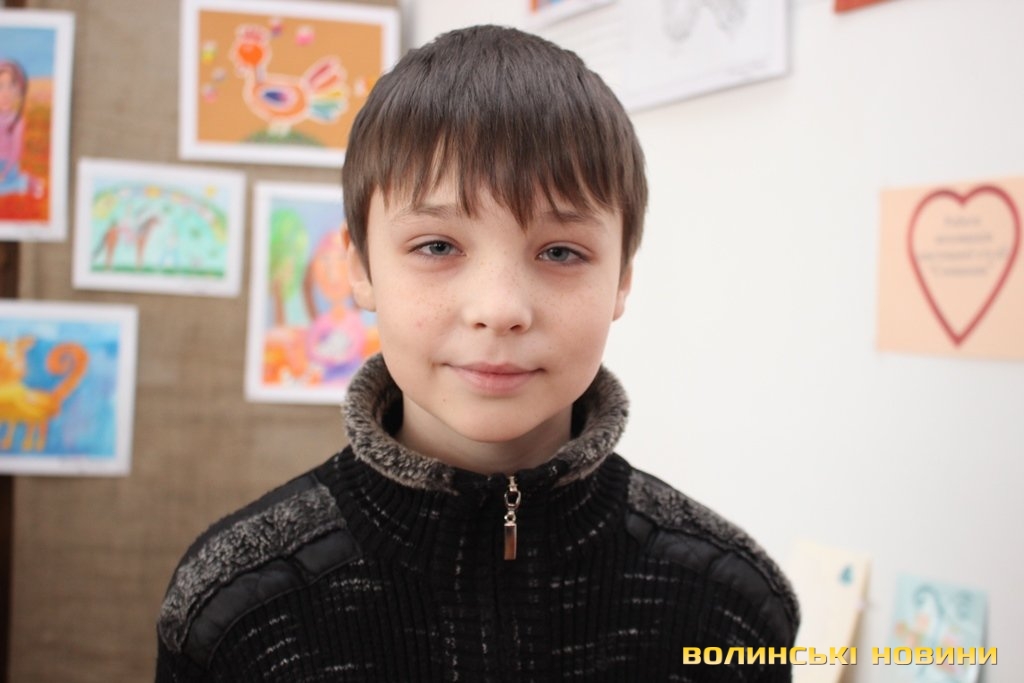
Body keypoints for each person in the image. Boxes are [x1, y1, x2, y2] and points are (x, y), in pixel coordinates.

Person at [156, 24, 799, 682]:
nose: (499, 308)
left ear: (622, 281)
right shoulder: (234, 606)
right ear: (361, 268)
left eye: (560, 252)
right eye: (437, 246)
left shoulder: (731, 604)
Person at [0, 58, 31, 196]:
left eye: (11, 86)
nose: (5, 93)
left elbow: (16, 152)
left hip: (9, 166)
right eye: (1, 86)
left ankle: (20, 183)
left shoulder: (17, 121)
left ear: (18, 91)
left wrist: (4, 173)